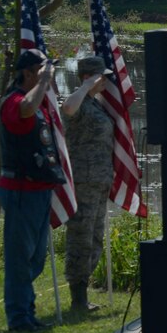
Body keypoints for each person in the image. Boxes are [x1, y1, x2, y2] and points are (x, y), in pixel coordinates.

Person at [0, 49, 65, 331]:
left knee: (36, 258)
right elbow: (26, 108)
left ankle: (27, 311)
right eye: (42, 69)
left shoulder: (38, 101)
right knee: (20, 259)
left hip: (39, 189)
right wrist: (45, 80)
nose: (48, 74)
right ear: (27, 73)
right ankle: (19, 318)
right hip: (21, 190)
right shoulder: (14, 101)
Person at [60, 56, 114, 312]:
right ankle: (78, 297)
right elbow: (67, 109)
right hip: (84, 181)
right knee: (81, 237)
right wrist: (84, 86)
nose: (105, 81)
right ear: (88, 77)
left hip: (100, 181)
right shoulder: (78, 101)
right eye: (101, 76)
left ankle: (83, 291)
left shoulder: (95, 104)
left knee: (94, 238)